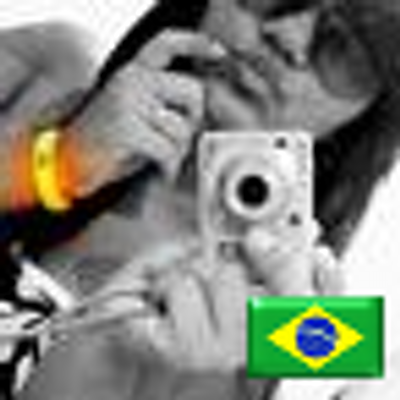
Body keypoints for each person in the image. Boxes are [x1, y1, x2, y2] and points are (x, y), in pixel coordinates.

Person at [0, 0, 399, 399]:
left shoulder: (310, 334)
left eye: (347, 50)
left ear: (369, 112)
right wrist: (51, 167)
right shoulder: (51, 69)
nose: (289, 36)